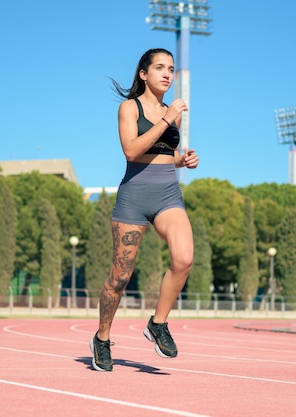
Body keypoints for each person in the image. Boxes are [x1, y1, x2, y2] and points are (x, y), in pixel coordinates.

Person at [89, 48, 199, 372]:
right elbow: (132, 150)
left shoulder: (172, 112)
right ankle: (102, 338)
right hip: (134, 197)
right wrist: (166, 119)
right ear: (144, 74)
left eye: (171, 69)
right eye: (160, 68)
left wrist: (184, 160)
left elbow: (165, 152)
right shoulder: (129, 108)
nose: (167, 74)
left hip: (168, 194)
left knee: (184, 258)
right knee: (119, 278)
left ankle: (158, 323)